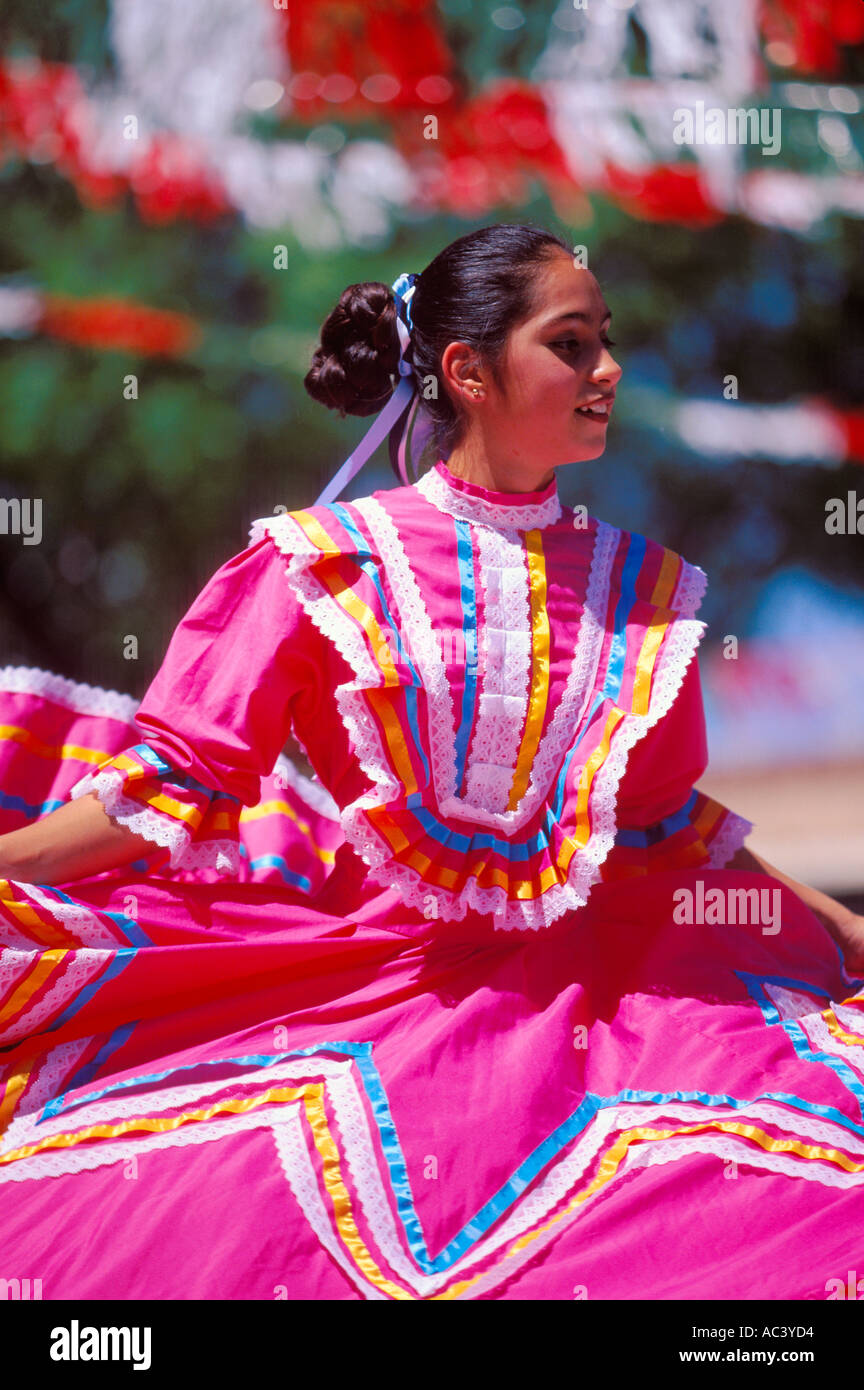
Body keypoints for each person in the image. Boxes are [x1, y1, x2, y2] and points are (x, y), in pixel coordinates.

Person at [1, 222, 863, 1302]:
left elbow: (665, 831)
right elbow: (178, 785)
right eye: (572, 344)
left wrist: (839, 926)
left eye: (607, 340)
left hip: (614, 1005)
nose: (609, 370)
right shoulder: (323, 564)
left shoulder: (644, 590)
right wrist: (16, 863)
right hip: (379, 995)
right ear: (468, 370)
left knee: (792, 1207)